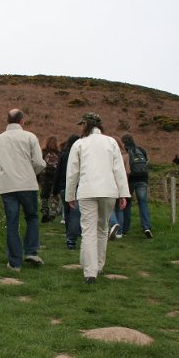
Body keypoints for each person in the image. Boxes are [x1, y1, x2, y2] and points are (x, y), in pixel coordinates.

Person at [65, 113, 130, 284]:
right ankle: (99, 266)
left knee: (88, 231)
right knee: (102, 228)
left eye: (81, 125)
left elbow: (73, 173)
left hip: (87, 191)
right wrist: (123, 193)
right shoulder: (111, 143)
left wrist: (70, 194)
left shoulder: (79, 144)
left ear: (86, 124)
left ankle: (90, 272)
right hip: (108, 191)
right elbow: (118, 170)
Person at [0, 108, 46, 271]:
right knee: (32, 217)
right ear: (22, 121)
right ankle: (31, 251)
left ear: (7, 121)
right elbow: (39, 162)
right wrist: (30, 172)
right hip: (27, 184)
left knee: (12, 223)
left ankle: (15, 262)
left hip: (7, 186)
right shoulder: (30, 137)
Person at [121, 133, 153, 238]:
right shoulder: (141, 150)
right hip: (143, 179)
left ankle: (125, 229)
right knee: (143, 203)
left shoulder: (125, 151)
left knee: (127, 204)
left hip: (130, 180)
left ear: (123, 141)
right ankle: (147, 227)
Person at [53, 134, 81, 249]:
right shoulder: (80, 155)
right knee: (75, 213)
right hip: (77, 187)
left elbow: (58, 173)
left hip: (64, 187)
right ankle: (72, 238)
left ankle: (69, 235)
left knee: (68, 212)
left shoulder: (64, 155)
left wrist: (54, 191)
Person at [39, 136, 60, 223]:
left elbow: (39, 163)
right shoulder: (59, 154)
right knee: (54, 194)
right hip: (55, 176)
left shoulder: (43, 152)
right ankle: (52, 212)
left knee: (44, 194)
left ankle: (44, 211)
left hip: (44, 176)